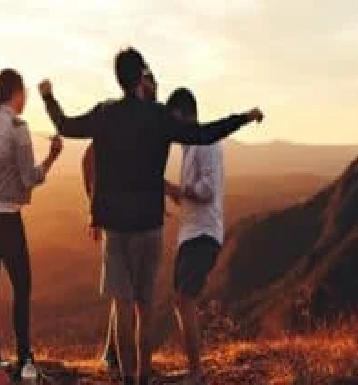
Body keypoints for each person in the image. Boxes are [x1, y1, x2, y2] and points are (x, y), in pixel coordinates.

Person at [39, 47, 263, 385]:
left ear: (117, 78)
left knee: (123, 305)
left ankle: (129, 377)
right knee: (144, 305)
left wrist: (48, 96)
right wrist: (243, 118)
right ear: (141, 76)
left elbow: (65, 125)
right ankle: (143, 376)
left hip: (116, 226)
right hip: (150, 226)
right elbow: (203, 133)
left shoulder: (105, 113)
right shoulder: (159, 117)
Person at [0, 68, 63, 377]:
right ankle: (24, 355)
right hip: (5, 215)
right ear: (17, 93)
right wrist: (52, 157)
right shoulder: (17, 125)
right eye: (23, 93)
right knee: (22, 284)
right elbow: (29, 177)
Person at [81, 72, 158, 377]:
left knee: (128, 298)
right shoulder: (135, 119)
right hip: (127, 222)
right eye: (147, 82)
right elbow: (90, 159)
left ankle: (125, 366)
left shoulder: (148, 118)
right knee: (131, 300)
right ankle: (124, 365)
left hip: (135, 222)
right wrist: (95, 207)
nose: (151, 87)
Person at [165, 88, 224, 385]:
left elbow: (207, 189)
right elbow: (192, 193)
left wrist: (179, 190)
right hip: (190, 233)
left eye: (175, 120)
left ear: (187, 114)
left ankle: (196, 373)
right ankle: (192, 369)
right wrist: (171, 190)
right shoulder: (190, 147)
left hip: (204, 233)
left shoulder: (206, 142)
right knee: (181, 300)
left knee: (184, 299)